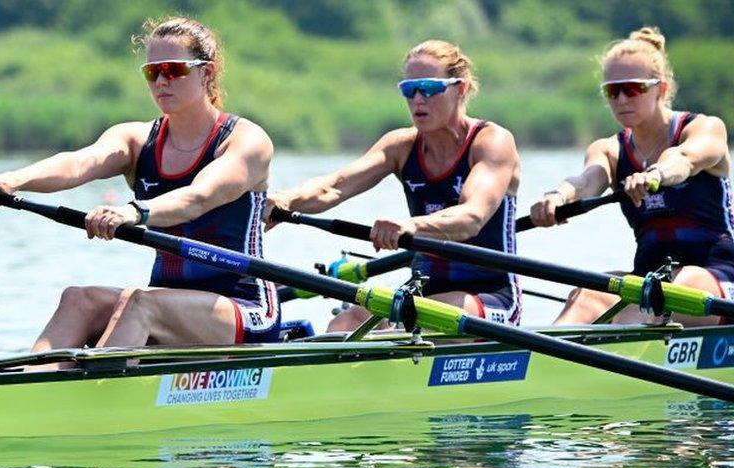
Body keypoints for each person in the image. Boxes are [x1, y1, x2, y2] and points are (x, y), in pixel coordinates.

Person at [0, 16, 279, 353]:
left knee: (140, 303)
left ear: (206, 73)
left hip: (242, 308)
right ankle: (30, 394)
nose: (161, 81)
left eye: (173, 70)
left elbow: (198, 198)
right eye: (152, 72)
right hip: (167, 302)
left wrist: (133, 211)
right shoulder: (137, 139)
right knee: (79, 300)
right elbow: (80, 162)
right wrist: (10, 180)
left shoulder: (246, 141)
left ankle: (89, 392)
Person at [268, 40, 522, 332]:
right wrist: (284, 199)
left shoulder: (492, 142)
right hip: (422, 294)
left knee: (422, 318)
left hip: (492, 299)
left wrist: (410, 226)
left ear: (460, 88)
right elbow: (334, 186)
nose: (417, 99)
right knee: (347, 321)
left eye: (428, 88)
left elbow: (471, 218)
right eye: (408, 89)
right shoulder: (401, 146)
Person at [528, 27, 731, 326]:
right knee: (586, 294)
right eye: (612, 91)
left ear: (661, 89)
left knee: (671, 290)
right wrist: (557, 197)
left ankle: (611, 345)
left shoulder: (704, 128)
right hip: (649, 281)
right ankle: (542, 362)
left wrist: (655, 174)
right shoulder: (610, 150)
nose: (621, 99)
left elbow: (684, 160)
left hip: (715, 277)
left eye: (632, 89)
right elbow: (586, 181)